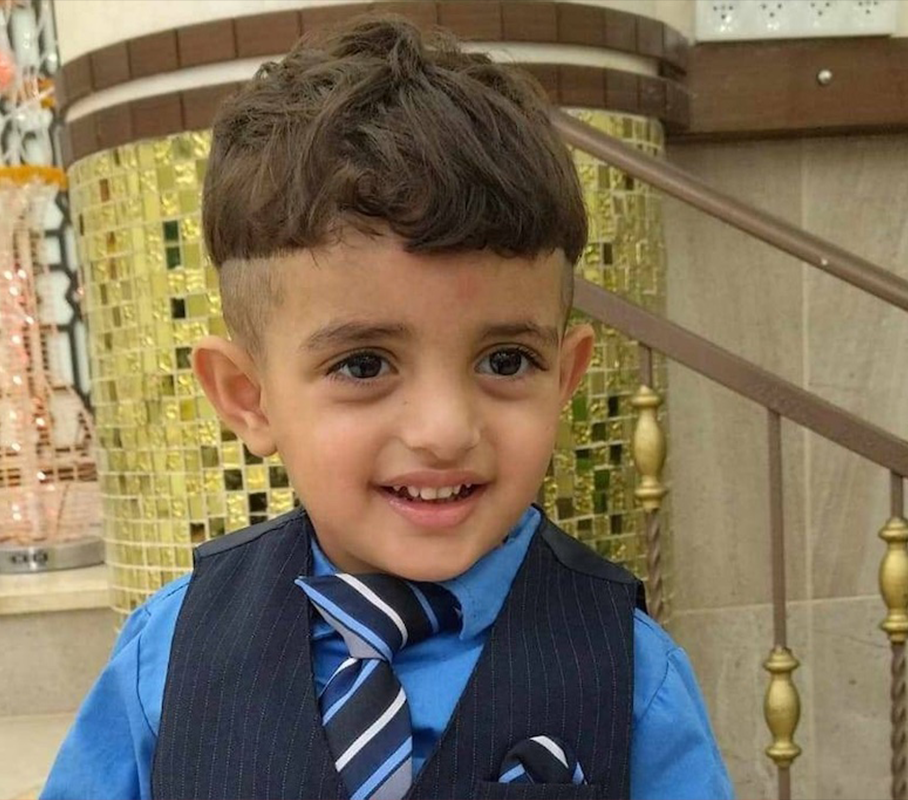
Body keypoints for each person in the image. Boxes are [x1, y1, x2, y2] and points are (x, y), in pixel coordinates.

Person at [43, 14, 732, 800]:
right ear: (248, 398)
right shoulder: (168, 658)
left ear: (565, 377)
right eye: (363, 365)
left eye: (506, 361)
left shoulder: (633, 677)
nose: (444, 431)